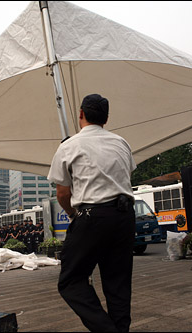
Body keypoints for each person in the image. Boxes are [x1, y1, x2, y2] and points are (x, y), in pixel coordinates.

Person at [48, 93, 137, 332]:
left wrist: (72, 215)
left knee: (71, 280)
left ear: (81, 114)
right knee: (118, 283)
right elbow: (125, 176)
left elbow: (63, 194)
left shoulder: (69, 146)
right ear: (106, 118)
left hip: (92, 216)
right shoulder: (121, 142)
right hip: (125, 216)